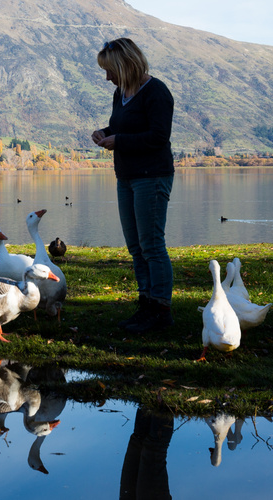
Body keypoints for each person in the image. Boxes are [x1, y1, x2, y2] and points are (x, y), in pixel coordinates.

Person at [92, 38, 176, 333]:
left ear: (124, 65)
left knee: (152, 245)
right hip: (126, 177)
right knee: (136, 247)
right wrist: (105, 132)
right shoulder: (121, 93)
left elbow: (158, 136)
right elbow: (123, 126)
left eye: (110, 70)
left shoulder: (157, 92)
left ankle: (160, 309)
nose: (107, 77)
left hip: (151, 176)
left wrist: (119, 141)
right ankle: (146, 303)